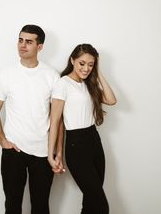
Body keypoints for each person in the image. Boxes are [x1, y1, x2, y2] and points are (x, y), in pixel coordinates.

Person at [0, 24, 63, 214]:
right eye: (20, 40)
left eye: (29, 42)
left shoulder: (52, 76)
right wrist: (3, 141)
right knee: (12, 205)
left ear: (40, 47)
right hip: (14, 150)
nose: (22, 45)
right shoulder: (5, 75)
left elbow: (58, 119)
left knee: (40, 206)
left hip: (43, 151)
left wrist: (57, 152)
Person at [48, 43, 117, 214]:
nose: (86, 68)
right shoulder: (63, 84)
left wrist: (98, 71)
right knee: (101, 206)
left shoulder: (89, 84)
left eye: (90, 64)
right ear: (72, 60)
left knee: (92, 203)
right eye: (82, 63)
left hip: (94, 140)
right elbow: (55, 121)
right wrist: (52, 155)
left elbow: (111, 99)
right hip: (76, 145)